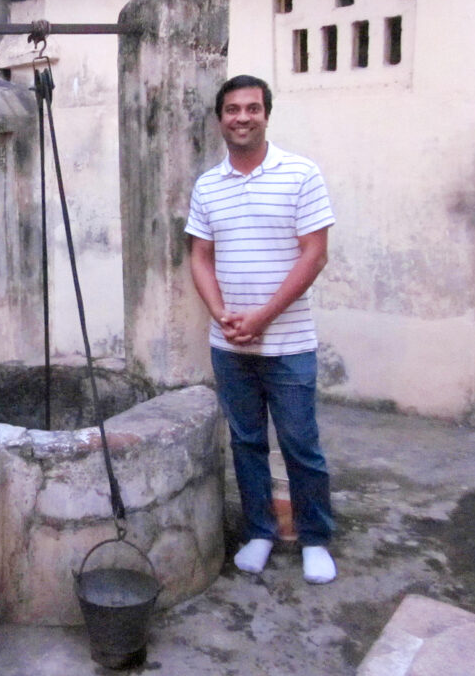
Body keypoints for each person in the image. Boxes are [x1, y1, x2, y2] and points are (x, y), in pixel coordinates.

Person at [185, 75, 337, 584]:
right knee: (246, 441)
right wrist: (220, 313)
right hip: (229, 343)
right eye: (232, 109)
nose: (242, 117)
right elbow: (199, 256)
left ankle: (315, 537)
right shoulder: (208, 185)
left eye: (252, 108)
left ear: (267, 114)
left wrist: (263, 316)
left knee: (299, 442)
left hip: (288, 341)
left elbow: (314, 254)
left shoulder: (300, 174)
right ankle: (259, 532)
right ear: (220, 118)